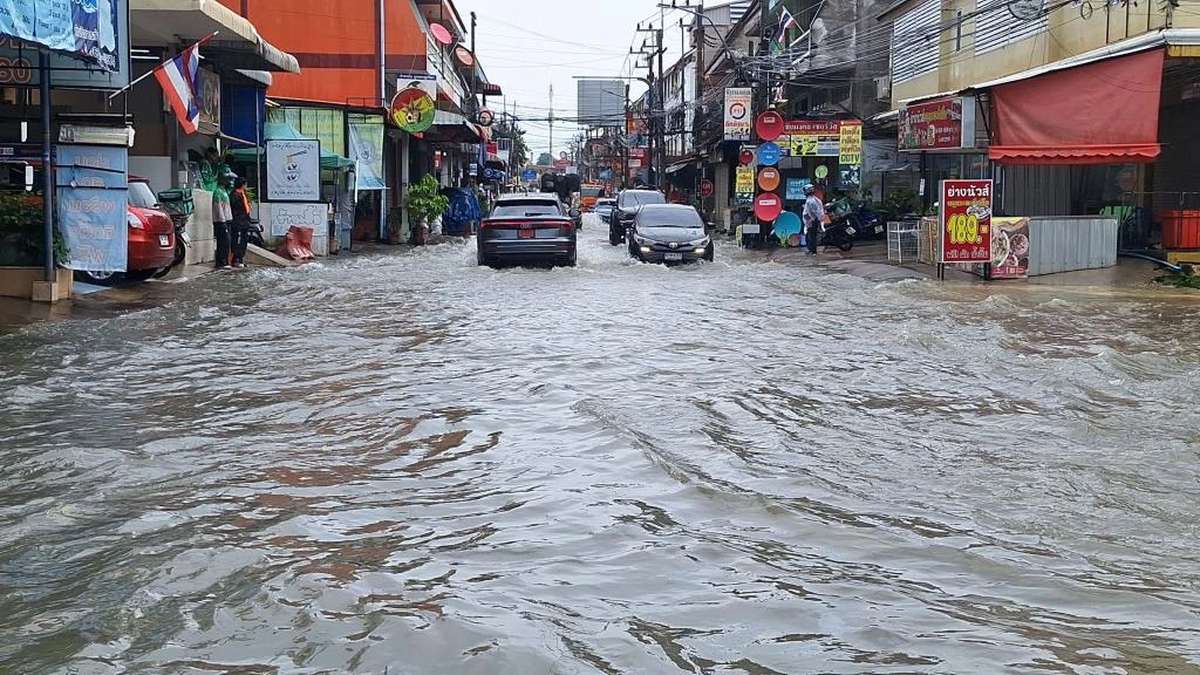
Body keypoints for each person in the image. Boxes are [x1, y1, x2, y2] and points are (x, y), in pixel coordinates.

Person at [200, 147, 233, 269]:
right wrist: (223, 221)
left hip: (226, 221)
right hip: (221, 221)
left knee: (226, 242)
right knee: (223, 242)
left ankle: (225, 261)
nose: (230, 181)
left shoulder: (224, 190)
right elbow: (219, 209)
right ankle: (221, 262)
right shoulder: (218, 191)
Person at [229, 176, 252, 268]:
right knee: (237, 241)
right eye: (245, 184)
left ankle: (240, 258)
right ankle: (236, 259)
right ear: (242, 185)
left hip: (245, 221)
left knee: (243, 241)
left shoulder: (243, 194)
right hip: (238, 221)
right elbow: (234, 208)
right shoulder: (234, 195)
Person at [802, 183, 826, 255]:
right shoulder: (815, 199)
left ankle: (813, 251)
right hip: (812, 220)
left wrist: (812, 219)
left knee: (811, 236)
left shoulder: (810, 201)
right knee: (810, 236)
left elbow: (813, 212)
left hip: (811, 221)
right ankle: (811, 250)